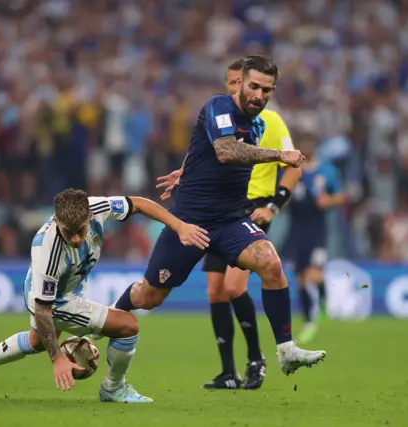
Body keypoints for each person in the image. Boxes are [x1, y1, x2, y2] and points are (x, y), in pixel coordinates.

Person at [113, 55, 327, 376]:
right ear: (240, 83)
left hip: (230, 220)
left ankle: (285, 350)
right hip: (190, 222)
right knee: (149, 296)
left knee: (270, 262)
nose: (259, 95)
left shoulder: (262, 123)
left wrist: (185, 169)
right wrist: (279, 155)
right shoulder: (218, 105)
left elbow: (205, 148)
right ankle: (108, 316)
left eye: (266, 90)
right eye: (253, 86)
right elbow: (226, 151)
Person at [0, 189, 210, 403]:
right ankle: (114, 388)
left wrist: (179, 226)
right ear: (57, 221)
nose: (75, 239)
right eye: (68, 232)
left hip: (66, 286)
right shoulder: (48, 254)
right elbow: (43, 311)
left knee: (37, 342)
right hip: (53, 299)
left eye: (81, 231)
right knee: (128, 327)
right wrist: (57, 359)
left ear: (88, 215)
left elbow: (138, 204)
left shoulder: (97, 207)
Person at [156, 58, 302, 390]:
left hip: (249, 211)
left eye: (244, 83)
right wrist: (186, 172)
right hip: (215, 209)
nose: (238, 89)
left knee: (234, 287)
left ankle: (257, 359)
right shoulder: (223, 117)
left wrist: (273, 205)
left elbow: (294, 165)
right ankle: (227, 372)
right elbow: (215, 150)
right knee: (216, 291)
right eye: (233, 83)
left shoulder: (270, 121)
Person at [282, 134, 346, 343]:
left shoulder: (327, 171)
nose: (306, 148)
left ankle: (319, 307)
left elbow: (340, 196)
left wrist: (328, 200)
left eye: (310, 145)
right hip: (296, 229)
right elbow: (282, 197)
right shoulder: (290, 170)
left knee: (312, 275)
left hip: (317, 230)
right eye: (303, 145)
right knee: (300, 278)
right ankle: (309, 320)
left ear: (315, 147)